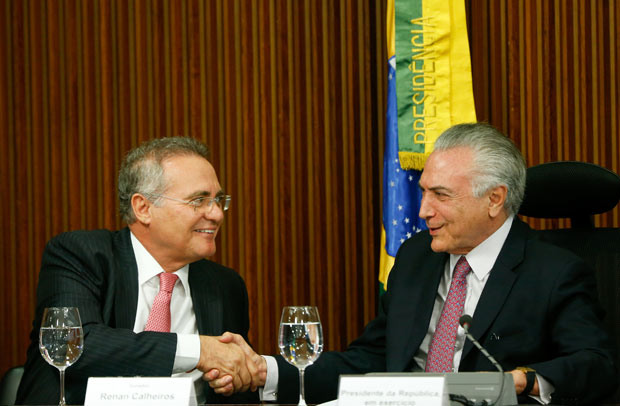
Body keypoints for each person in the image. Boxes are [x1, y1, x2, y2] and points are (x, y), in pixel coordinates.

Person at [209, 123, 618, 405]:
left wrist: (520, 380)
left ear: (495, 199)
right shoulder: (416, 257)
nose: (423, 210)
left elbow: (595, 365)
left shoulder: (554, 271)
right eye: (423, 191)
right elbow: (370, 360)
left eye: (441, 195)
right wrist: (266, 370)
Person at [17, 137, 265, 405]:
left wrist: (232, 379)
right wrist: (200, 350)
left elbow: (238, 385)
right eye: (199, 200)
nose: (216, 214)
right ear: (143, 208)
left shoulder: (225, 286)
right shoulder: (80, 254)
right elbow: (74, 345)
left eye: (218, 200)